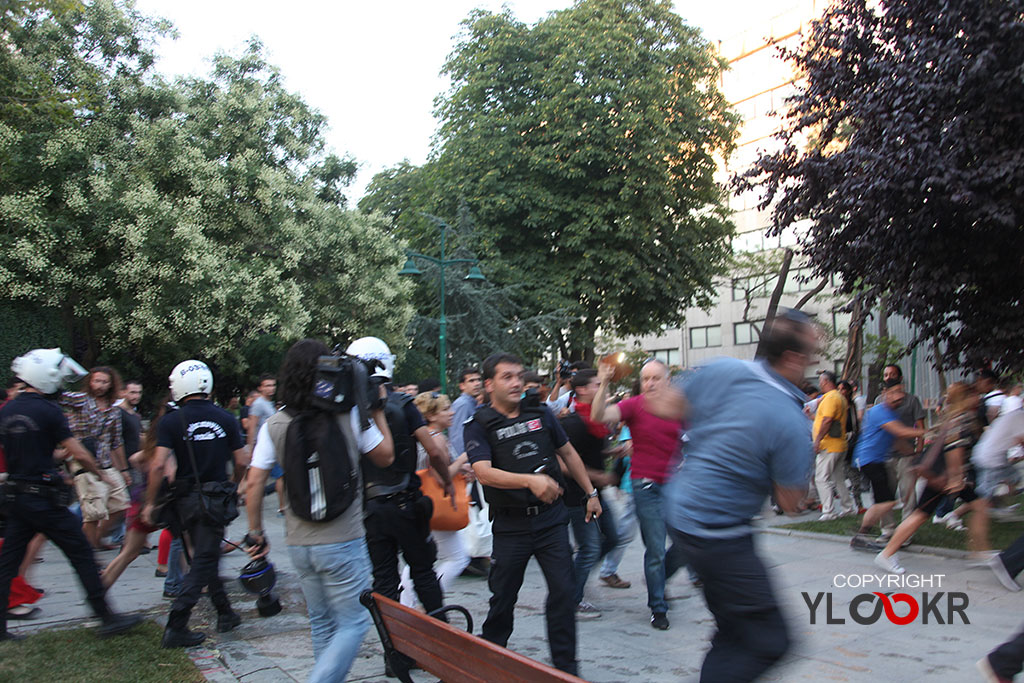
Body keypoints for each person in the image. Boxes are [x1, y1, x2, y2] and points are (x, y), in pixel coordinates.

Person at [662, 310, 818, 682]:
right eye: (812, 353)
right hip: (719, 534)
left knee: (735, 629)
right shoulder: (790, 420)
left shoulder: (722, 370)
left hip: (681, 512)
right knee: (770, 640)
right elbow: (791, 503)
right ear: (793, 358)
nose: (813, 361)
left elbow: (668, 406)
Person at [245, 339, 394, 682]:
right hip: (344, 539)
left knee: (322, 623)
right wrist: (376, 410)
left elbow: (254, 483)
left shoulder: (275, 424)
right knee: (354, 623)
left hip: (300, 545)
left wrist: (256, 532)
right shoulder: (348, 416)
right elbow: (385, 456)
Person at [465, 352, 600, 675]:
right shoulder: (479, 425)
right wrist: (530, 480)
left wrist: (590, 493)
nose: (516, 383)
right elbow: (483, 472)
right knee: (503, 597)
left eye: (518, 375)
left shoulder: (541, 413)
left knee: (564, 591)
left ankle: (566, 668)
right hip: (511, 525)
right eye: (507, 377)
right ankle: (490, 660)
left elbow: (567, 452)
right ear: (489, 384)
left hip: (551, 519)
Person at [0, 348, 142, 641]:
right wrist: (99, 472)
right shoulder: (49, 410)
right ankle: (106, 617)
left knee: (8, 562)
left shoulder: (10, 410)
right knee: (81, 553)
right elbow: (78, 451)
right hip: (43, 498)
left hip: (16, 496)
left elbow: (32, 449)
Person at [142, 360, 248, 648]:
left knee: (205, 555)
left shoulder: (170, 421)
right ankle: (176, 623)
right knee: (203, 560)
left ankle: (225, 613)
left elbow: (157, 466)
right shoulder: (226, 419)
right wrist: (234, 486)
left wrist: (150, 502)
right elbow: (241, 460)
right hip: (214, 500)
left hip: (186, 500)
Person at [346, 337, 454, 617]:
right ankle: (440, 633)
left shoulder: (349, 409)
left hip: (371, 507)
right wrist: (448, 481)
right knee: (423, 572)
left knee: (384, 580)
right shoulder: (402, 403)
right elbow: (433, 449)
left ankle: (394, 655)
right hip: (406, 502)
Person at [591, 357, 684, 630]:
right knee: (655, 549)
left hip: (676, 487)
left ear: (667, 380)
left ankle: (659, 577)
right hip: (646, 487)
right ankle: (658, 607)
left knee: (690, 543)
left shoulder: (679, 407)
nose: (650, 383)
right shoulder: (634, 406)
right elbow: (599, 415)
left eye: (656, 378)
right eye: (645, 379)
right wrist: (605, 381)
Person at [874, 382, 981, 574]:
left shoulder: (954, 416)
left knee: (980, 505)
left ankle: (980, 551)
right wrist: (956, 477)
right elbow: (953, 449)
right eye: (974, 395)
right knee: (920, 514)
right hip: (944, 477)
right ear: (965, 398)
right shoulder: (960, 418)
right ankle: (887, 554)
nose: (978, 398)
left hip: (945, 475)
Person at [399, 392, 472, 606]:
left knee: (418, 558)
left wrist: (460, 467)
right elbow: (442, 478)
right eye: (445, 410)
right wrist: (462, 460)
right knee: (458, 558)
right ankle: (424, 598)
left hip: (420, 502)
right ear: (431, 415)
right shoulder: (437, 438)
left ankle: (406, 601)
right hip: (437, 503)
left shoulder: (422, 436)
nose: (451, 413)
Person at [559, 368, 619, 618]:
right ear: (581, 390)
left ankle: (573, 583)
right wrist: (599, 476)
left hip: (596, 493)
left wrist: (614, 453)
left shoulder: (596, 421)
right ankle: (570, 599)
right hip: (577, 496)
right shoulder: (572, 422)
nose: (601, 389)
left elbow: (591, 452)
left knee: (613, 539)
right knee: (590, 548)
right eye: (597, 384)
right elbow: (564, 463)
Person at [850, 379, 927, 551]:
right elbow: (899, 431)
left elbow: (898, 441)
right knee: (885, 502)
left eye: (901, 392)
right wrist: (927, 432)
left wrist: (914, 456)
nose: (899, 396)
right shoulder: (879, 411)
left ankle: (862, 534)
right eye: (895, 392)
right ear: (885, 394)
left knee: (884, 501)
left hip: (876, 460)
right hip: (868, 460)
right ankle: (861, 534)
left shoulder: (891, 414)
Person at [61, 366, 132, 549]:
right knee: (93, 513)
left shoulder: (114, 410)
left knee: (122, 504)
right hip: (85, 462)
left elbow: (116, 442)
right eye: (97, 381)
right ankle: (89, 552)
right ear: (90, 382)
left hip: (106, 463)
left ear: (111, 384)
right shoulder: (81, 400)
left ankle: (97, 539)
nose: (100, 385)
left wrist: (123, 470)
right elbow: (59, 396)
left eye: (104, 382)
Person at [880, 364, 926, 530]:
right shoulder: (880, 401)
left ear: (900, 378)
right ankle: (887, 529)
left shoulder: (911, 400)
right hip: (885, 455)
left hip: (906, 455)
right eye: (885, 375)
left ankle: (906, 531)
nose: (888, 377)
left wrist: (919, 450)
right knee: (886, 495)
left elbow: (920, 425)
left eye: (892, 374)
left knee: (908, 495)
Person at [812, 370, 854, 520]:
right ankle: (847, 507)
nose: (819, 384)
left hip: (829, 445)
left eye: (821, 381)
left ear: (825, 381)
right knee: (838, 478)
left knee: (822, 478)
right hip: (839, 444)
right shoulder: (839, 397)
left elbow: (827, 420)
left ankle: (829, 511)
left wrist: (817, 441)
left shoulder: (830, 398)